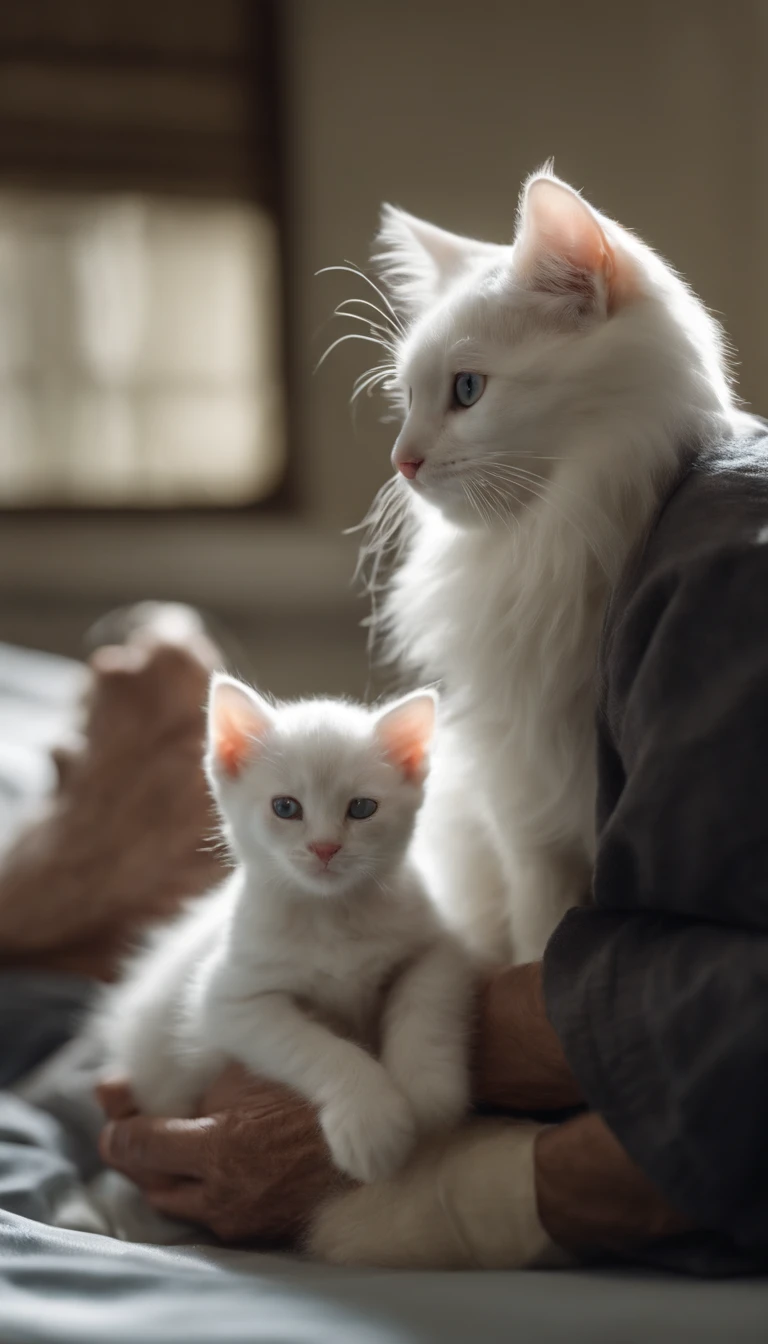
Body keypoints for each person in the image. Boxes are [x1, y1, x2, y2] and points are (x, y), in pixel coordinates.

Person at [6, 429, 768, 1272]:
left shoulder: (707, 570)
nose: (325, 844)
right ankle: (90, 877)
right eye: (288, 809)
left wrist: (451, 1107)